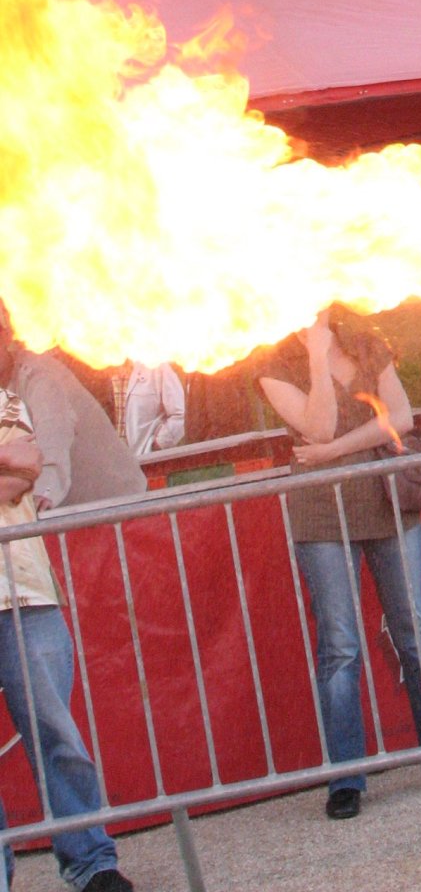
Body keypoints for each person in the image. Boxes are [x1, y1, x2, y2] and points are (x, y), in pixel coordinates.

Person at [257, 308, 421, 819]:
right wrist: (315, 356)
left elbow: (401, 417)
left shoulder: (367, 345)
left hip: (388, 502)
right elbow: (318, 425)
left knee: (415, 632)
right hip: (323, 515)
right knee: (340, 647)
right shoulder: (272, 365)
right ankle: (346, 779)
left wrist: (335, 451)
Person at [0, 386, 134, 892]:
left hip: (25, 593)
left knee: (57, 735)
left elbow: (21, 473)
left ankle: (91, 862)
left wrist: (12, 466)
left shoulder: (5, 401)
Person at [0, 304, 146, 512]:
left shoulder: (39, 376)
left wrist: (44, 492)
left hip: (118, 507)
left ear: (6, 336)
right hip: (70, 513)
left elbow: (54, 433)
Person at [108, 362, 186, 458]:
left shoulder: (156, 365)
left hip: (145, 459)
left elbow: (179, 414)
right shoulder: (98, 365)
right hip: (110, 459)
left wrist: (159, 444)